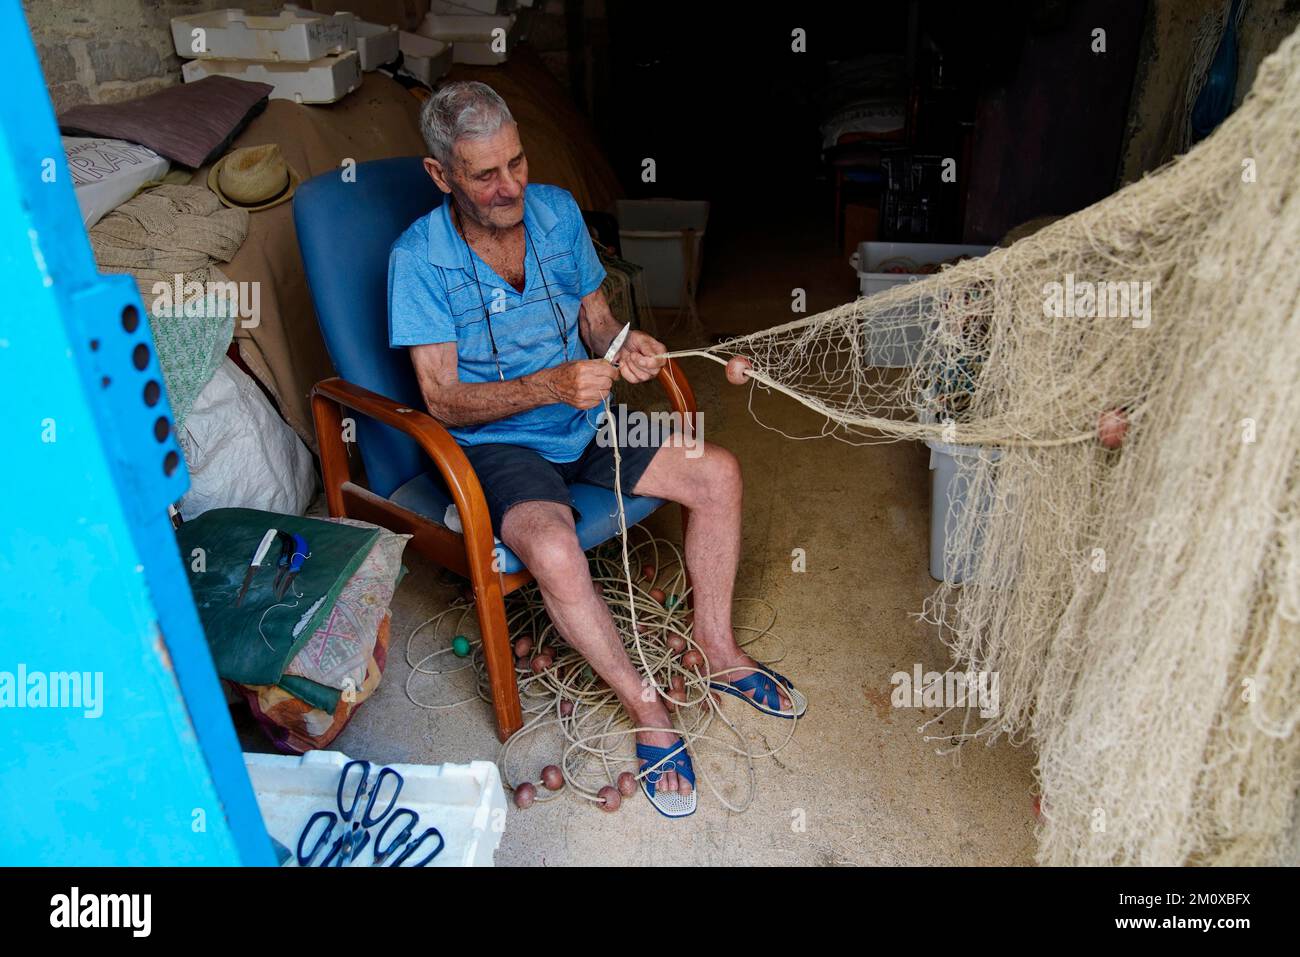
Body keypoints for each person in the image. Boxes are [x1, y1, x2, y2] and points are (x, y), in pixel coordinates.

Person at [388, 81, 803, 814]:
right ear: (440, 175)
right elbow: (442, 399)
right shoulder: (417, 259)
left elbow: (596, 322)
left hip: (589, 424)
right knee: (550, 546)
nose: (510, 186)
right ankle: (646, 707)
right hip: (496, 445)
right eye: (485, 175)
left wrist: (626, 344)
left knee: (719, 472)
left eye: (517, 162)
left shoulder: (555, 211)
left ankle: (718, 648)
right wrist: (552, 386)